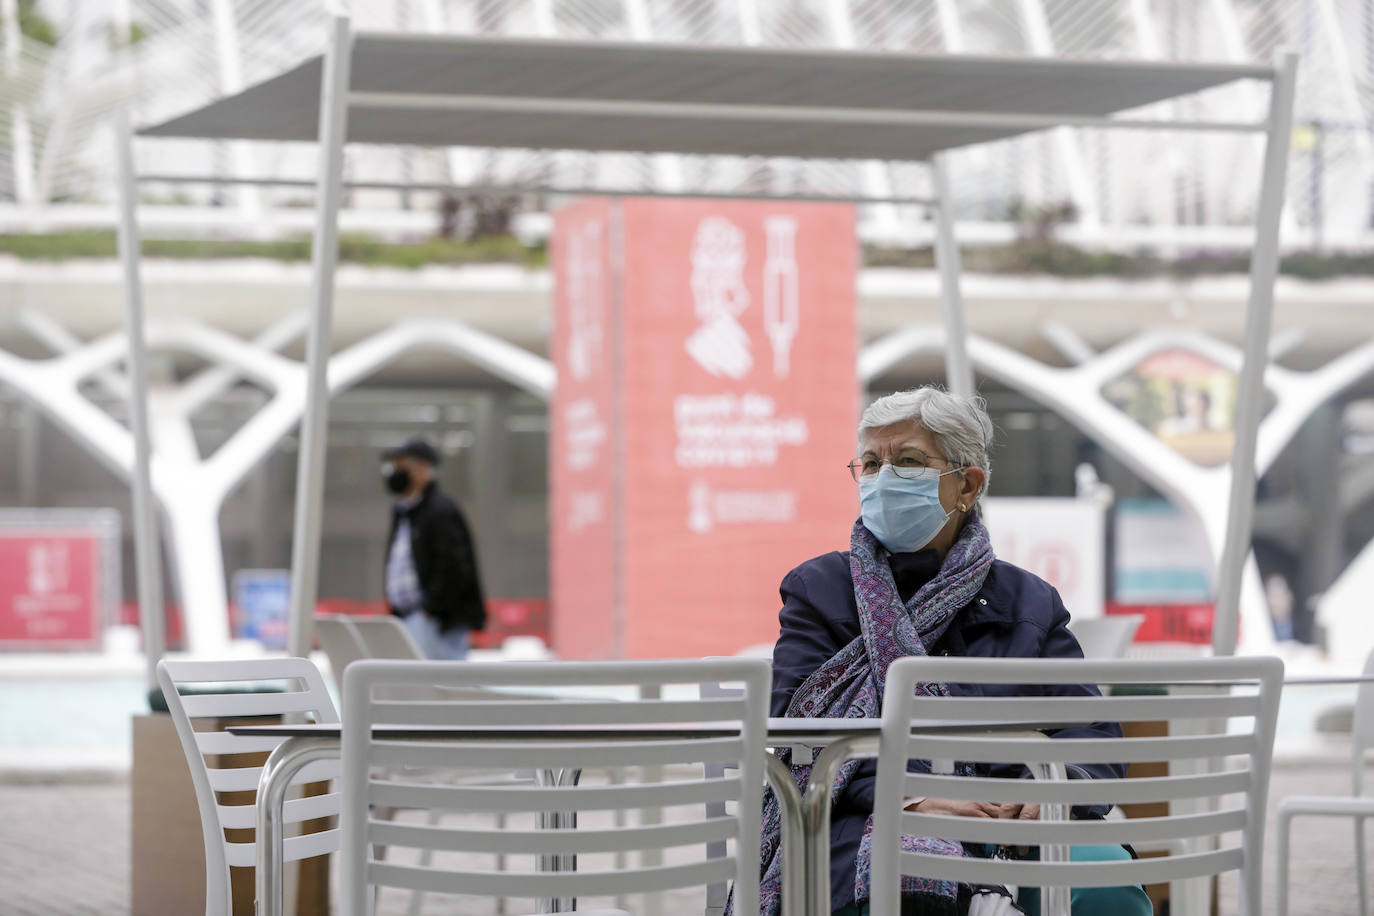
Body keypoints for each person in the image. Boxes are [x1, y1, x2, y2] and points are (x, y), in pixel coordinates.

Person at [752, 388, 1151, 916]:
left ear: (967, 485)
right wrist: (912, 799)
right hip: (867, 824)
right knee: (910, 882)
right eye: (871, 463)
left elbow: (1091, 734)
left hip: (1013, 824)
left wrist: (1047, 793)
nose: (883, 478)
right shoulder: (820, 590)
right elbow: (795, 741)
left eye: (909, 462)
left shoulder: (1028, 601)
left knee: (1105, 888)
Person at [380, 438, 485, 659]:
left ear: (422, 468)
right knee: (416, 688)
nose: (395, 471)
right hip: (409, 619)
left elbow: (454, 568)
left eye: (402, 465)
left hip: (436, 624)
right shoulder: (404, 511)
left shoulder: (440, 510)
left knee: (440, 688)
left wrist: (429, 611)